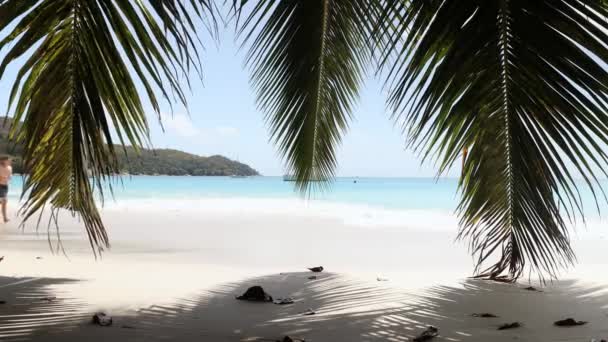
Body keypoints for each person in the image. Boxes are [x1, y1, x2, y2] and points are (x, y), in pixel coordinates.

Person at [0, 156, 12, 223]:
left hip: (5, 186)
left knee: (4, 201)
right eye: (8, 160)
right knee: (4, 200)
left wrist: (7, 177)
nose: (9, 162)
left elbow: (10, 177)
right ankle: (5, 218)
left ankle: (5, 218)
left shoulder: (10, 168)